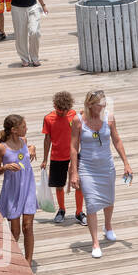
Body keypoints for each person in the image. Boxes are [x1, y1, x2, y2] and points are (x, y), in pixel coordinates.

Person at [69, 89, 133, 259]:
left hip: (106, 166)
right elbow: (74, 147)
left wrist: (126, 163)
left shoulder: (109, 118)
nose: (103, 106)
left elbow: (117, 140)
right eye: (100, 103)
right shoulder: (78, 120)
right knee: (91, 204)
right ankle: (95, 242)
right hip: (87, 168)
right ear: (90, 104)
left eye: (104, 102)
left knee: (109, 200)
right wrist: (74, 172)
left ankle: (108, 226)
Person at [0, 114, 37, 267]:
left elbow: (28, 148)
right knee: (16, 232)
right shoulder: (1, 148)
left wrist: (32, 148)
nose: (26, 129)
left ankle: (28, 262)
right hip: (12, 189)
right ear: (14, 130)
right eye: (23, 127)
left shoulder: (24, 141)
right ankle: (10, 256)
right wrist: (5, 167)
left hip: (28, 186)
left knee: (28, 226)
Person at [41, 91, 82, 225]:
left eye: (65, 110)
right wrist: (45, 159)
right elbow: (47, 139)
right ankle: (62, 209)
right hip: (57, 157)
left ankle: (79, 212)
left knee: (79, 185)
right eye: (59, 110)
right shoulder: (48, 118)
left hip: (74, 155)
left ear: (69, 107)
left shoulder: (74, 114)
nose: (62, 113)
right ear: (54, 105)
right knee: (59, 186)